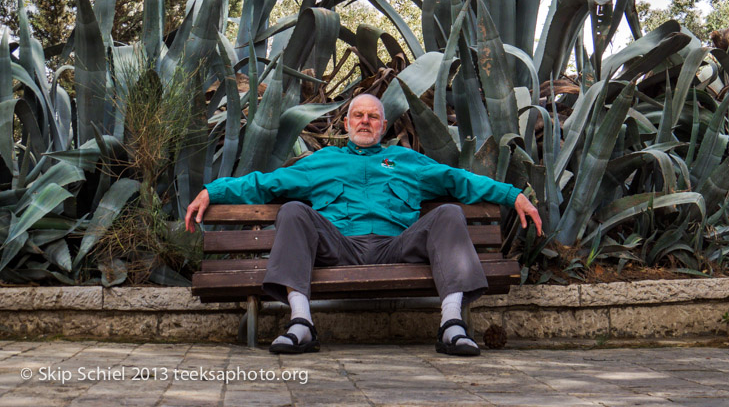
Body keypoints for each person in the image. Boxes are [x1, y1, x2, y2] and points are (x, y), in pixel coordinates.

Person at [185, 93, 542, 356]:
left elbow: (459, 179)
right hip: (339, 246)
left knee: (449, 212)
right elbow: (264, 183)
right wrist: (212, 191)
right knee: (292, 209)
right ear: (347, 123)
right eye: (358, 115)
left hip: (397, 246)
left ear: (383, 126)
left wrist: (513, 196)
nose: (365, 121)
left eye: (373, 116)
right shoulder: (322, 161)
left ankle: (451, 324)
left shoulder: (406, 160)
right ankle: (301, 323)